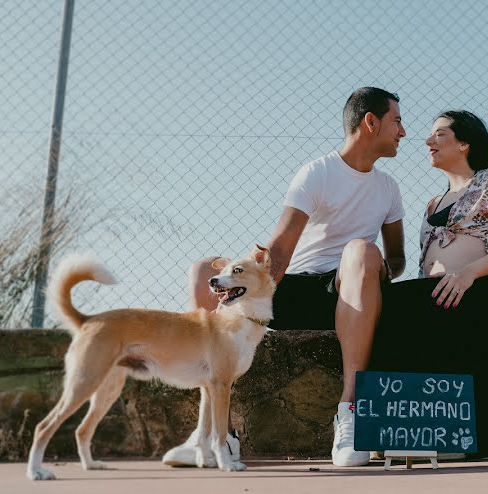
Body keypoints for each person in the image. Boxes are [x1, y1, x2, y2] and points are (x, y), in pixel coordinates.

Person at [162, 87, 407, 468]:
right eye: (397, 120)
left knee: (360, 250)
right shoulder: (318, 172)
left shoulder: (389, 189)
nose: (403, 131)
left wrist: (370, 269)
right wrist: (244, 290)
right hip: (294, 291)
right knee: (201, 272)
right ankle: (216, 433)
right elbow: (281, 247)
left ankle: (350, 414)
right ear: (370, 122)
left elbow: (397, 259)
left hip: (350, 294)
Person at [371, 110, 488, 456]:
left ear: (464, 142)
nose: (428, 141)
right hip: (444, 292)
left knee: (429, 308)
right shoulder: (434, 203)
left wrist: (468, 274)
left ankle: (471, 440)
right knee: (387, 306)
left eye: (440, 135)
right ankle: (399, 431)